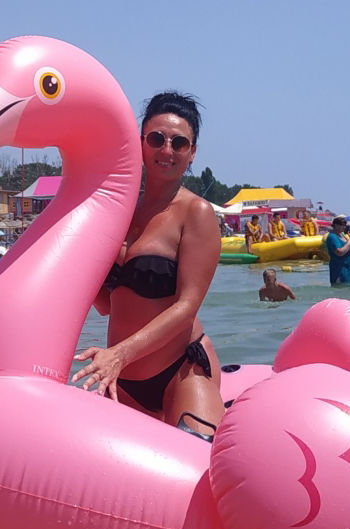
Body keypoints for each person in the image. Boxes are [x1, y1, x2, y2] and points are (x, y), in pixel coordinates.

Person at [71, 91, 223, 441]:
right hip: (123, 380)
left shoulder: (196, 213)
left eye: (179, 143)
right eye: (156, 139)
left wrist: (118, 355)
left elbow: (187, 306)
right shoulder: (120, 214)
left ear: (192, 153)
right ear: (140, 142)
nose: (166, 150)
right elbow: (108, 305)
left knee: (196, 467)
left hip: (181, 372)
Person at [325, 215, 350, 286]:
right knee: (342, 288)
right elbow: (339, 252)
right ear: (336, 225)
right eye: (342, 225)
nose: (344, 227)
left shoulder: (342, 235)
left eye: (345, 225)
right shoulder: (332, 237)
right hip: (340, 269)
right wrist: (348, 243)